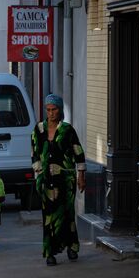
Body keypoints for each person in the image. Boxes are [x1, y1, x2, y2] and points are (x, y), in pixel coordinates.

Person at [31, 94, 86, 266]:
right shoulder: (38, 129)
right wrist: (39, 176)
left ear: (60, 110)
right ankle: (50, 252)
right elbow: (34, 154)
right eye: (48, 110)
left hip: (66, 180)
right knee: (48, 216)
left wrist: (81, 176)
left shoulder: (67, 130)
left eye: (54, 109)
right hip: (46, 180)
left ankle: (72, 247)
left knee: (67, 214)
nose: (51, 113)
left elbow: (78, 152)